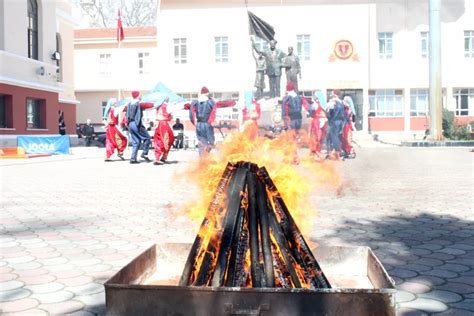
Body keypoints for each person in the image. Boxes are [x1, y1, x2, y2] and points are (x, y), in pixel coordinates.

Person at [281, 82, 308, 163]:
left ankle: (292, 158)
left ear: (287, 89)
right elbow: (306, 106)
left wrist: (284, 121)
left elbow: (283, 110)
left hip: (290, 119)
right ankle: (292, 157)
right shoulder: (299, 97)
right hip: (298, 119)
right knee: (295, 138)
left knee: (290, 138)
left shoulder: (286, 98)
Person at [125, 90, 154, 164]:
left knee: (136, 142)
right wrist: (158, 103)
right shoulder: (139, 103)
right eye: (140, 95)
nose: (140, 96)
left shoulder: (129, 104)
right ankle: (144, 153)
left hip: (130, 124)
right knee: (147, 138)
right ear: (137, 95)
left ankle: (133, 158)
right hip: (136, 124)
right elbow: (150, 105)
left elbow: (125, 111)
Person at [189, 86, 217, 156]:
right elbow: (214, 111)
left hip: (199, 124)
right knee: (211, 142)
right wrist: (211, 121)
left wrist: (194, 122)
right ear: (207, 93)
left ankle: (202, 159)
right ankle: (206, 153)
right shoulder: (211, 102)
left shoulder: (195, 102)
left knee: (201, 142)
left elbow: (191, 113)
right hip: (207, 124)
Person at [153, 98, 175, 165]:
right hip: (165, 124)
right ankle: (164, 156)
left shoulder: (157, 106)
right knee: (168, 139)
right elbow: (171, 116)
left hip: (158, 124)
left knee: (157, 140)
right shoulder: (168, 106)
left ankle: (157, 157)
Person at [307, 92, 328, 159]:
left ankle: (316, 152)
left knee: (317, 137)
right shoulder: (325, 105)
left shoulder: (315, 104)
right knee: (320, 138)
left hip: (317, 121)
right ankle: (317, 151)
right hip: (324, 121)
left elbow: (310, 112)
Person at [326, 92, 345, 160]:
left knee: (334, 137)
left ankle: (338, 152)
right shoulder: (341, 102)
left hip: (334, 121)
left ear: (334, 95)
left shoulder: (333, 102)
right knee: (331, 136)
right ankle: (332, 152)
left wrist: (327, 113)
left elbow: (328, 113)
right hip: (341, 121)